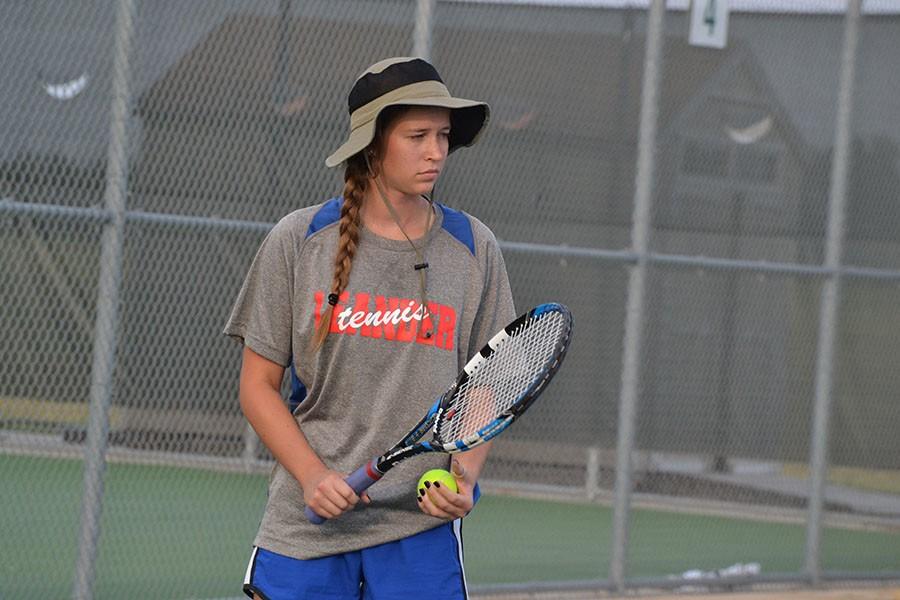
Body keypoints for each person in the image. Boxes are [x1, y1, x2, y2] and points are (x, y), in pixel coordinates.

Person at [224, 56, 516, 600]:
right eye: (417, 135)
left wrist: (465, 475)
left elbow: (491, 384)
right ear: (372, 144)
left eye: (444, 136)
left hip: (417, 530)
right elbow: (257, 387)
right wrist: (312, 477)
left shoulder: (475, 248)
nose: (436, 152)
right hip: (305, 526)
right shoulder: (297, 240)